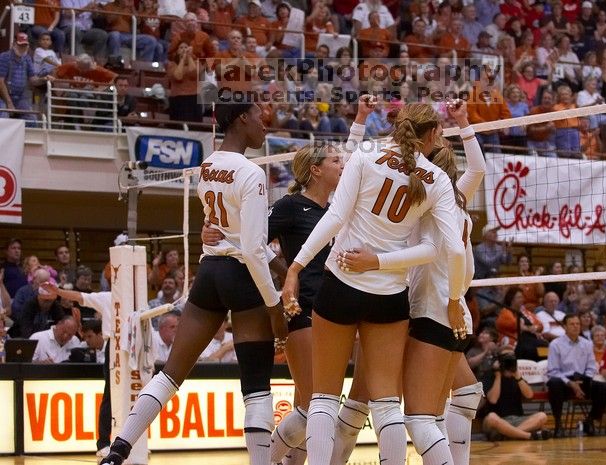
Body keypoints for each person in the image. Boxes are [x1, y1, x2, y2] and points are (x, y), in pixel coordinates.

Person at [99, 103, 289, 465]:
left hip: (210, 273)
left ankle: (119, 448)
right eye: (260, 115)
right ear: (242, 119)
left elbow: (230, 233)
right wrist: (274, 303)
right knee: (256, 386)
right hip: (242, 274)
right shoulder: (250, 172)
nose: (267, 123)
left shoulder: (207, 166)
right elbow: (251, 248)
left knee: (171, 372)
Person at [281, 102, 467, 465]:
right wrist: (455, 298)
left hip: (341, 283)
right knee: (385, 403)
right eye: (441, 132)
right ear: (431, 135)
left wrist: (297, 266)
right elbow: (447, 250)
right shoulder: (439, 180)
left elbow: (335, 215)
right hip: (389, 297)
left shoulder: (366, 156)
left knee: (322, 397)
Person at [202, 96, 374, 465]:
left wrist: (360, 117)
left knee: (320, 406)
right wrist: (285, 277)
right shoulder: (290, 206)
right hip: (304, 308)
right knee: (315, 407)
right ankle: (270, 459)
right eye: (334, 162)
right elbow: (253, 240)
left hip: (337, 308)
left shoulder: (337, 209)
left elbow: (354, 158)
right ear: (315, 170)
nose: (342, 166)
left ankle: (287, 460)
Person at [341, 99, 486, 465]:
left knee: (401, 412)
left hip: (422, 307)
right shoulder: (456, 200)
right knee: (441, 408)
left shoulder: (426, 199)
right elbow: (479, 169)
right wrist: (464, 122)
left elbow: (354, 170)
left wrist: (374, 259)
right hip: (453, 311)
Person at [40, 280, 113, 456]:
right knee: (110, 396)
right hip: (116, 346)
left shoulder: (140, 300)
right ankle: (103, 443)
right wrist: (57, 291)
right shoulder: (108, 297)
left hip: (135, 346)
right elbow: (80, 296)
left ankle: (134, 442)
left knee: (135, 396)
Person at [546, 314, 606, 438]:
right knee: (553, 383)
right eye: (572, 324)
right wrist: (571, 383)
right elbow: (553, 371)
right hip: (564, 382)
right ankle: (558, 424)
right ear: (565, 327)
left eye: (577, 324)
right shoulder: (555, 344)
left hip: (582, 380)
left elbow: (591, 367)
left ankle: (590, 420)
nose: (576, 326)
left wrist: (583, 382)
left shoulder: (587, 344)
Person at [480, 349, 550, 440]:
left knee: (542, 416)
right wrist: (498, 376)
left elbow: (529, 395)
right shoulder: (489, 375)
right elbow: (493, 399)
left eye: (512, 357)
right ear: (498, 360)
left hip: (518, 420)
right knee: (491, 417)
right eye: (506, 357)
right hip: (498, 421)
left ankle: (508, 435)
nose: (509, 359)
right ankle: (527, 435)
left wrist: (517, 375)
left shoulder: (517, 377)